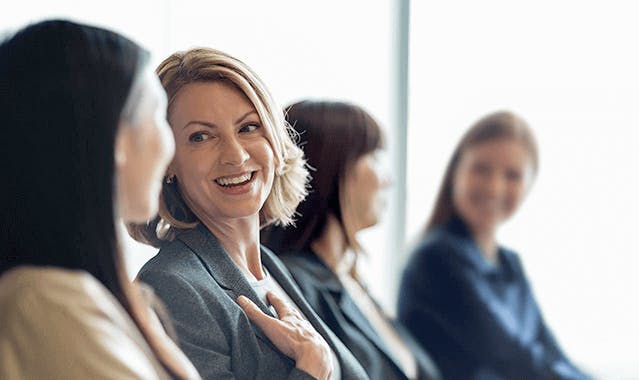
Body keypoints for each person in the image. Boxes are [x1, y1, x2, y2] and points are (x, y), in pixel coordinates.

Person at [128, 48, 368, 380]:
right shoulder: (171, 286)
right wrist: (313, 368)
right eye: (201, 136)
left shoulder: (269, 266)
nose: (236, 156)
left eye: (248, 128)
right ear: (167, 159)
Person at [0, 20, 200, 379]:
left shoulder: (87, 298)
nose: (169, 148)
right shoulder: (46, 304)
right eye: (157, 117)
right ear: (114, 139)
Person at [397, 111, 592, 379]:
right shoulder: (436, 259)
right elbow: (515, 361)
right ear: (456, 171)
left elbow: (552, 355)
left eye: (512, 175)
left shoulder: (510, 263)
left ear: (529, 185)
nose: (494, 187)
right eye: (481, 169)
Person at [262, 100, 441, 380]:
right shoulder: (294, 283)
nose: (388, 179)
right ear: (334, 168)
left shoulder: (351, 280)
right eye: (375, 158)